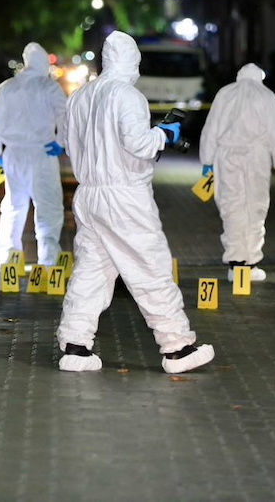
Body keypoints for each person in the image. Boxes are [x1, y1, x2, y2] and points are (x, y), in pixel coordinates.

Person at [56, 30, 215, 374]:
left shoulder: (80, 96)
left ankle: (75, 346)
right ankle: (177, 347)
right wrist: (165, 134)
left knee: (92, 272)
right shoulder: (127, 96)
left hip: (89, 194)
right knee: (150, 268)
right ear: (132, 61)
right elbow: (140, 145)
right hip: (124, 197)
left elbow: (68, 144)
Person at [199, 62, 275, 283]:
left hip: (227, 156)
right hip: (256, 157)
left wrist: (207, 161)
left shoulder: (225, 93)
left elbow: (211, 128)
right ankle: (250, 263)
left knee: (231, 206)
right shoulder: (266, 95)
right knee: (255, 207)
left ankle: (236, 264)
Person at [0, 42, 67, 269]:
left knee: (13, 206)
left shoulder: (6, 87)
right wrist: (61, 142)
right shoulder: (49, 87)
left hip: (13, 154)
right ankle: (48, 260)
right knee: (48, 207)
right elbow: (65, 116)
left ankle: (7, 258)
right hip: (42, 152)